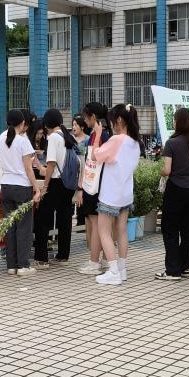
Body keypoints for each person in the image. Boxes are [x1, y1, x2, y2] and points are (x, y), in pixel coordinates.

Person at [92, 104, 142, 285]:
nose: (112, 124)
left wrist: (97, 135)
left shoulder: (116, 140)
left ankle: (113, 271)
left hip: (111, 194)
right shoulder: (135, 142)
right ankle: (121, 269)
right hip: (125, 194)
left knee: (104, 231)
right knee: (121, 231)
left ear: (119, 120)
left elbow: (96, 156)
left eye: (113, 121)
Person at [155, 107, 189, 280]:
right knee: (187, 229)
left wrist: (161, 172)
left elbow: (167, 170)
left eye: (174, 119)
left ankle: (173, 270)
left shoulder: (172, 143)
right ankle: (185, 266)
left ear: (178, 122)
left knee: (170, 228)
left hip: (175, 189)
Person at [0, 110, 42, 276]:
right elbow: (28, 168)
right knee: (24, 227)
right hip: (22, 187)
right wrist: (37, 188)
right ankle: (23, 266)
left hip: (5, 185)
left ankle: (11, 266)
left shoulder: (1, 138)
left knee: (10, 226)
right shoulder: (23, 141)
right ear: (22, 123)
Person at [34, 109, 77, 267]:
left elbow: (51, 164)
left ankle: (41, 258)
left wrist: (45, 186)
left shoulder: (53, 137)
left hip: (56, 183)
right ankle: (63, 255)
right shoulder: (67, 136)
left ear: (46, 124)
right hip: (68, 184)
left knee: (42, 219)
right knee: (64, 219)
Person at [75, 102, 112, 275]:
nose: (84, 119)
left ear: (93, 117)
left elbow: (94, 159)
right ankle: (102, 260)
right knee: (102, 225)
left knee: (96, 224)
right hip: (99, 184)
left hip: (95, 185)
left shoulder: (99, 135)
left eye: (85, 116)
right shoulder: (104, 134)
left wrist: (82, 187)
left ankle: (94, 262)